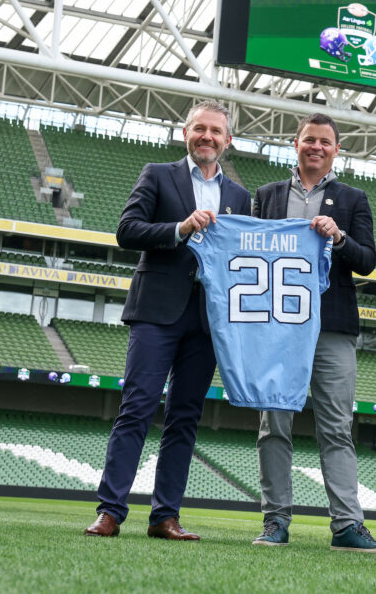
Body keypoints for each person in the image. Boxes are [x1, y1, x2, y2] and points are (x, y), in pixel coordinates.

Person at [85, 100, 252, 540]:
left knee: (185, 417)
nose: (207, 137)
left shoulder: (240, 197)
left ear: (227, 141)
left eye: (216, 131)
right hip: (157, 311)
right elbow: (127, 230)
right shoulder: (157, 174)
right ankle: (110, 512)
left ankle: (165, 516)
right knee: (137, 407)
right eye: (200, 129)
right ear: (185, 133)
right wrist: (181, 228)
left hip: (208, 320)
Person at [250, 112, 376, 552]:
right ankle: (275, 521)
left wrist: (339, 237)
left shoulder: (353, 198)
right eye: (310, 139)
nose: (317, 147)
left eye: (325, 141)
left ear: (336, 150)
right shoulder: (267, 196)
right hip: (277, 328)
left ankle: (347, 525)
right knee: (274, 425)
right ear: (296, 143)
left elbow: (367, 260)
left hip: (332, 328)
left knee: (336, 427)